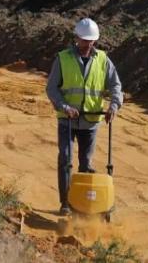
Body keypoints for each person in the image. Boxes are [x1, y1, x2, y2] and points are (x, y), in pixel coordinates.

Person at [45, 18, 123, 216]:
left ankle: (85, 205)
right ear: (77, 38)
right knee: (65, 158)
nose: (87, 44)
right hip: (67, 120)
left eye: (91, 40)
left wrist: (114, 105)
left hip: (91, 121)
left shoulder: (103, 59)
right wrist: (64, 106)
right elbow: (52, 88)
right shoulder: (63, 58)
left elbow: (116, 86)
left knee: (85, 163)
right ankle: (65, 203)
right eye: (84, 40)